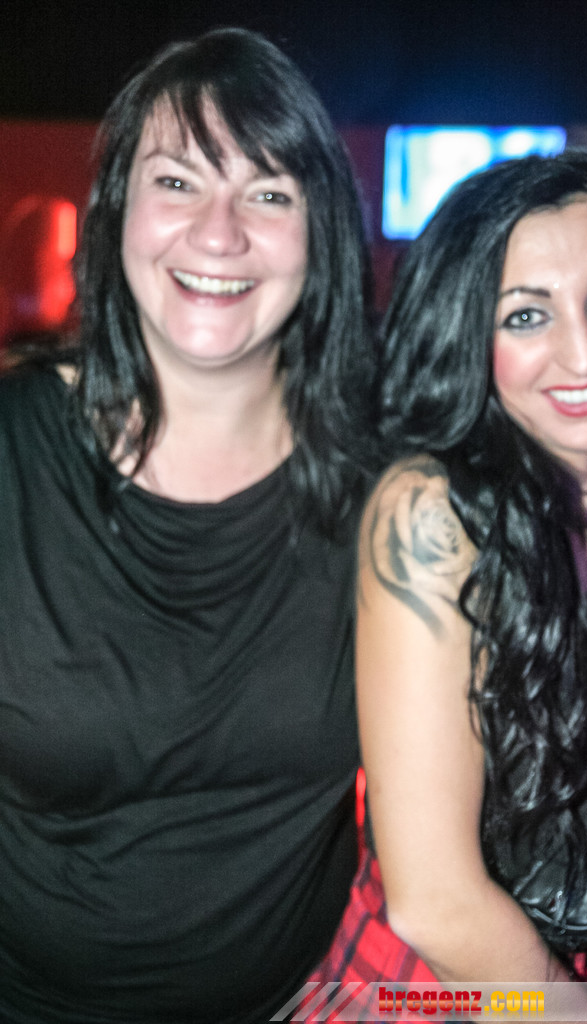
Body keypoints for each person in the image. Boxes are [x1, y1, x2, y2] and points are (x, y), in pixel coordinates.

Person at [0, 27, 373, 1024]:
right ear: (115, 212)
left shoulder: (389, 487)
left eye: (269, 193)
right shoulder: (11, 456)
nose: (219, 234)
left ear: (321, 235)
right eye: (177, 182)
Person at [307, 150, 587, 1017]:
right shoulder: (430, 512)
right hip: (435, 995)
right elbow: (436, 905)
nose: (583, 351)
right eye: (526, 315)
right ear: (465, 333)